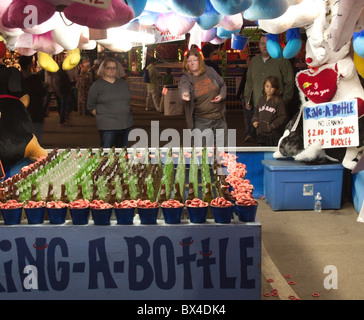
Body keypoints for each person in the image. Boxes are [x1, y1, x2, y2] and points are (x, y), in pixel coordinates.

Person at [244, 34, 294, 136]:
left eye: (268, 44)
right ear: (259, 45)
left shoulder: (281, 60)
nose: (265, 46)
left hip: (277, 107)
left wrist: (285, 100)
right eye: (262, 43)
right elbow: (249, 82)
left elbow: (289, 81)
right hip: (259, 105)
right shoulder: (254, 62)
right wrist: (247, 99)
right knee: (261, 135)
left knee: (277, 135)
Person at [178, 47, 228, 147]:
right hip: (202, 121)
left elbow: (222, 85)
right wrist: (185, 93)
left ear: (199, 61)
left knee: (223, 151)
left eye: (194, 60)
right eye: (189, 61)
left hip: (219, 119)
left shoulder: (210, 71)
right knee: (203, 153)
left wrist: (221, 96)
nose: (191, 63)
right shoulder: (187, 77)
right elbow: (183, 86)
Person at [87, 57, 134, 148]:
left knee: (122, 154)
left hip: (125, 124)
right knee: (107, 152)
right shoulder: (97, 86)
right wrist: (103, 116)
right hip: (107, 126)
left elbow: (127, 101)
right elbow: (90, 106)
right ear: (104, 69)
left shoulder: (123, 84)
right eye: (109, 68)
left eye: (114, 68)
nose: (112, 70)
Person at [252, 75, 287, 146]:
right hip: (261, 133)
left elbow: (282, 116)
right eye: (267, 86)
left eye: (272, 87)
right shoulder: (261, 99)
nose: (269, 89)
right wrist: (255, 120)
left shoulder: (279, 101)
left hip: (273, 134)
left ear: (276, 88)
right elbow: (257, 112)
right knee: (262, 153)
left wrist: (271, 126)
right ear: (264, 86)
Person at [19, 55, 47, 143]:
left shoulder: (17, 78)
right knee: (36, 138)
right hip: (35, 111)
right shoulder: (35, 78)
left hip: (21, 113)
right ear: (29, 65)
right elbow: (42, 92)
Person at [236, 54, 255, 142]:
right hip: (252, 96)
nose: (247, 62)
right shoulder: (254, 71)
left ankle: (249, 133)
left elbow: (243, 83)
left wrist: (238, 94)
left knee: (247, 117)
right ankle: (252, 133)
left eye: (248, 60)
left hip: (247, 96)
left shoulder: (247, 71)